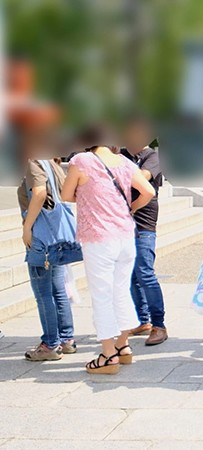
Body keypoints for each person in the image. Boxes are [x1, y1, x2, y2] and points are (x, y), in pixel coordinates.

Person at [61, 142, 155, 375]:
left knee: (102, 295)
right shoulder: (124, 162)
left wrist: (89, 197)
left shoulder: (81, 161)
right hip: (125, 235)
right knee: (121, 291)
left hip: (98, 237)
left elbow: (66, 194)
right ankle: (123, 346)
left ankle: (108, 354)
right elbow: (149, 191)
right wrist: (130, 208)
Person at [17, 136, 76, 361]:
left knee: (43, 293)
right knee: (58, 289)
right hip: (55, 235)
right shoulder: (53, 162)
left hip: (41, 235)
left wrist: (27, 227)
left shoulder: (34, 161)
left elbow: (40, 193)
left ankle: (50, 344)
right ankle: (66, 339)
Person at [121, 119, 168, 346]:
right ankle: (143, 320)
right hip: (122, 223)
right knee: (131, 275)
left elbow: (141, 179)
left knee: (145, 272)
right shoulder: (121, 155)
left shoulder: (153, 157)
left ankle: (159, 325)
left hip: (143, 223)